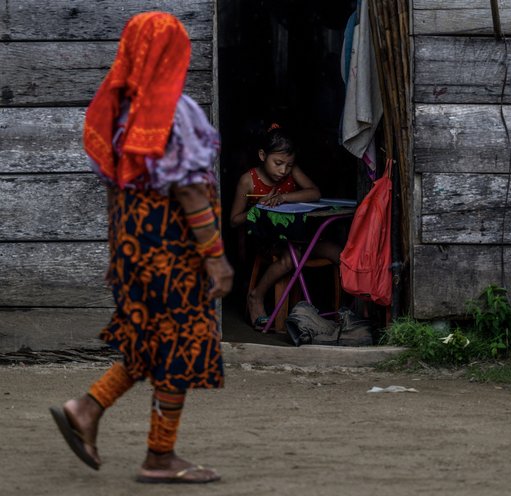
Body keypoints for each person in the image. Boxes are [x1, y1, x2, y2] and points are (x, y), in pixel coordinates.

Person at [48, 12, 233, 484]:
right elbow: (190, 193)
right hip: (173, 254)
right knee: (177, 345)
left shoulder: (116, 110)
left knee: (148, 341)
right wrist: (216, 258)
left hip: (132, 252)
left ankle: (86, 409)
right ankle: (159, 456)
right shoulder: (172, 112)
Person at [229, 125, 341, 330]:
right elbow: (234, 220)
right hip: (267, 239)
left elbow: (314, 193)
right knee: (290, 258)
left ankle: (348, 312)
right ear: (262, 155)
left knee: (338, 253)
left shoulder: (291, 172)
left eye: (288, 165)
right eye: (278, 163)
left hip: (299, 236)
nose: (283, 170)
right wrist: (259, 207)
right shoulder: (248, 181)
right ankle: (256, 296)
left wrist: (282, 198)